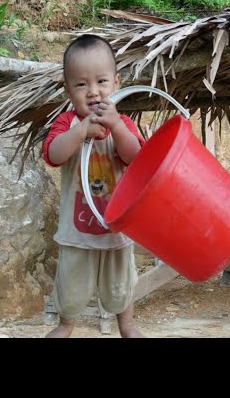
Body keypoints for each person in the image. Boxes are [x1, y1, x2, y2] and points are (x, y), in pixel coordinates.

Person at [43, 34, 146, 338]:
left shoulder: (123, 123)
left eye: (101, 81)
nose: (93, 92)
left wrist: (115, 125)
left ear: (116, 82)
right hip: (76, 236)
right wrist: (81, 131)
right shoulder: (66, 123)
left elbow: (136, 158)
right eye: (81, 84)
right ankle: (65, 327)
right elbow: (53, 155)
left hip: (116, 232)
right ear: (68, 88)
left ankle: (127, 327)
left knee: (121, 292)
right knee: (70, 299)